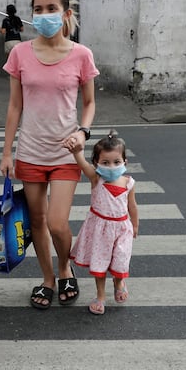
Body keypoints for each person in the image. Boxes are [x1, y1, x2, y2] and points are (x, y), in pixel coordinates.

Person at [0, 0, 99, 310]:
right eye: (38, 10)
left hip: (66, 152)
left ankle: (65, 266)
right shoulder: (20, 54)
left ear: (66, 13)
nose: (43, 15)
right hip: (30, 151)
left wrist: (83, 133)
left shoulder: (82, 55)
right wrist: (6, 152)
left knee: (57, 222)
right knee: (37, 221)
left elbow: (89, 103)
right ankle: (47, 278)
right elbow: (15, 106)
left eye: (51, 9)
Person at [64, 130, 139, 315]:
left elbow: (133, 206)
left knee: (120, 261)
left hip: (122, 228)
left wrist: (135, 225)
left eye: (116, 162)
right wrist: (76, 151)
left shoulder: (129, 183)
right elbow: (81, 163)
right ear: (96, 164)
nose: (111, 167)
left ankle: (119, 281)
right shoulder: (96, 178)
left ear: (125, 163)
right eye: (105, 163)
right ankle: (100, 296)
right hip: (100, 229)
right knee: (100, 265)